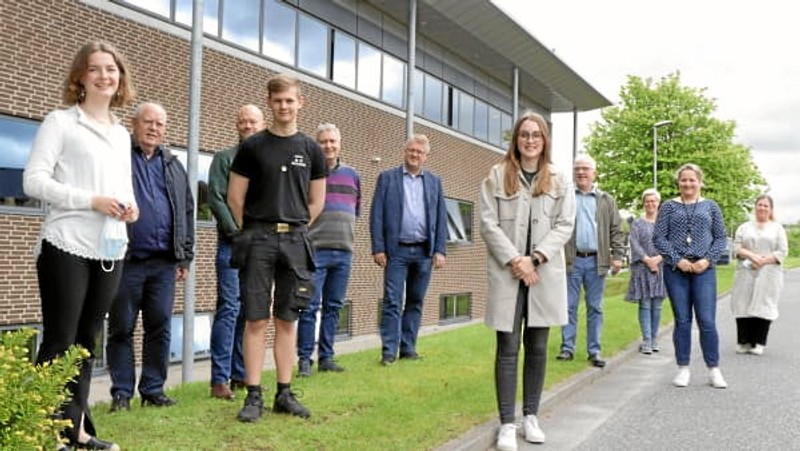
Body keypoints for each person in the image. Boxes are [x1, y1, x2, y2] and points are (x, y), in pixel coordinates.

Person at [23, 40, 137, 451]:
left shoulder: (122, 134)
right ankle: (43, 431)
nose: (105, 75)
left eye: (112, 68)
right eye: (96, 69)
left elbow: (122, 188)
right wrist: (90, 200)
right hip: (66, 242)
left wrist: (130, 209)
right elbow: (33, 181)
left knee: (88, 342)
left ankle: (77, 431)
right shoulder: (60, 122)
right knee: (60, 340)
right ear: (79, 77)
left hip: (109, 247)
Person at [228, 74, 327, 422]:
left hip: (296, 242)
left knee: (288, 319)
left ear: (301, 102)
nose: (284, 106)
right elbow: (235, 197)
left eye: (290, 100)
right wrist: (257, 229)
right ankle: (253, 395)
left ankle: (284, 393)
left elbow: (317, 202)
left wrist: (293, 228)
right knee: (256, 319)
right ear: (269, 102)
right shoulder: (253, 146)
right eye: (278, 100)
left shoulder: (311, 149)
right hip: (258, 239)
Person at [480, 112, 575, 450]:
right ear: (516, 139)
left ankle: (530, 416)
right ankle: (507, 423)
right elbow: (488, 223)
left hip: (543, 273)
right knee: (507, 348)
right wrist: (516, 260)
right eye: (524, 135)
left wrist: (534, 258)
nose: (530, 140)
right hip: (508, 273)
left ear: (544, 139)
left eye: (536, 135)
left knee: (537, 347)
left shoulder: (559, 178)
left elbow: (565, 224)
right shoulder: (496, 175)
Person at [106, 102, 195, 410]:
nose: (154, 128)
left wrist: (184, 257)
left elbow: (186, 210)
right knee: (122, 328)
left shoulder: (173, 164)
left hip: (164, 263)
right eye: (148, 122)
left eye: (160, 124)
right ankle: (121, 393)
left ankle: (153, 390)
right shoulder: (118, 157)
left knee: (159, 325)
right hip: (125, 260)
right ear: (135, 123)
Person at [370, 134, 447, 366]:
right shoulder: (387, 178)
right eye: (411, 150)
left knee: (415, 301)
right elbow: (377, 215)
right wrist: (378, 247)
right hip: (396, 251)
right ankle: (388, 353)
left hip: (424, 251)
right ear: (405, 151)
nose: (415, 155)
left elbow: (441, 218)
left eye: (419, 152)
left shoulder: (434, 181)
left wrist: (440, 249)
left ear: (426, 156)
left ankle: (408, 348)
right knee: (393, 301)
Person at [208, 104, 266, 399]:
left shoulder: (268, 160)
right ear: (236, 125)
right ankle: (219, 380)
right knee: (229, 308)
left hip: (261, 247)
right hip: (233, 245)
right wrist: (238, 232)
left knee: (248, 311)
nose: (247, 126)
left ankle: (241, 373)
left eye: (252, 121)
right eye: (242, 121)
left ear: (262, 124)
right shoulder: (223, 159)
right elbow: (217, 199)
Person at [653, 163, 728, 388]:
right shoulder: (668, 207)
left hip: (704, 270)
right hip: (677, 271)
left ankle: (713, 369)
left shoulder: (711, 207)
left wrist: (707, 260)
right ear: (678, 182)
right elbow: (659, 238)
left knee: (706, 320)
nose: (688, 184)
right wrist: (678, 260)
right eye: (684, 180)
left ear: (700, 182)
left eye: (692, 180)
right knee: (683, 320)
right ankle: (683, 368)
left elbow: (721, 238)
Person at [296, 123, 361, 376]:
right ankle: (304, 359)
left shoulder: (352, 174)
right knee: (309, 307)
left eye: (332, 141)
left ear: (340, 144)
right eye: (323, 142)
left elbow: (355, 210)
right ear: (316, 145)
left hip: (343, 251)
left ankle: (327, 357)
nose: (328, 146)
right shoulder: (308, 174)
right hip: (315, 251)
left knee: (334, 306)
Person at [557, 154, 624, 368]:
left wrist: (618, 256)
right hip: (571, 260)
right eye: (577, 168)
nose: (581, 172)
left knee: (595, 307)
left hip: (597, 262)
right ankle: (567, 349)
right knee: (569, 307)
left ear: (594, 173)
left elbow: (616, 230)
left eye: (585, 168)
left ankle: (594, 351)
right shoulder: (566, 197)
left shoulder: (606, 200)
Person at [730, 194, 788, 355]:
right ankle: (743, 341)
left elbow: (783, 251)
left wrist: (763, 260)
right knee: (743, 304)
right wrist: (752, 256)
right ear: (755, 207)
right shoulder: (744, 227)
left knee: (765, 304)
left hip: (769, 272)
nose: (762, 208)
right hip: (746, 271)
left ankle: (759, 342)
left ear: (770, 209)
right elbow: (736, 248)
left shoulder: (777, 228)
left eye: (765, 206)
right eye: (759, 205)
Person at [624, 188, 666, 354]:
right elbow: (634, 244)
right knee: (645, 304)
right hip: (642, 268)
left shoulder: (664, 224)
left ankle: (655, 339)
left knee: (657, 306)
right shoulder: (637, 224)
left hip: (660, 268)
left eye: (653, 201)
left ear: (658, 203)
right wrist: (648, 260)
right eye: (647, 201)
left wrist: (658, 259)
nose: (650, 204)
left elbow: (669, 244)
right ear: (644, 203)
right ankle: (646, 340)